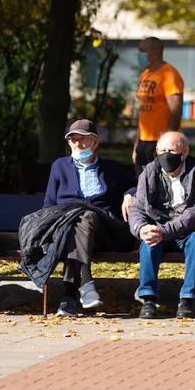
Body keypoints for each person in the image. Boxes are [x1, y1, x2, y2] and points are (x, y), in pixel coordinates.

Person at [43, 119, 135, 317]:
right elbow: (49, 204)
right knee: (77, 223)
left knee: (87, 216)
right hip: (67, 231)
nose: (77, 144)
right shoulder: (60, 166)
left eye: (83, 140)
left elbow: (135, 185)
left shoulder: (113, 169)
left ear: (95, 142)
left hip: (105, 232)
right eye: (73, 140)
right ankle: (74, 295)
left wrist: (130, 194)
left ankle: (72, 293)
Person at [128, 130, 195, 319]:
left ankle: (187, 300)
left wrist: (165, 231)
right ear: (156, 151)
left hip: (186, 232)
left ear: (185, 152)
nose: (166, 155)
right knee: (149, 241)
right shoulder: (148, 173)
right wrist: (141, 229)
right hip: (158, 229)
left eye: (172, 151)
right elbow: (137, 208)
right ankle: (148, 299)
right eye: (162, 150)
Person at [133, 37, 184, 173]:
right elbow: (142, 113)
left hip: (161, 142)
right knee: (141, 184)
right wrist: (137, 144)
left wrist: (167, 144)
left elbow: (176, 110)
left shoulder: (169, 75)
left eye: (142, 51)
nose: (139, 54)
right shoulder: (145, 75)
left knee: (160, 185)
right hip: (144, 141)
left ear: (154, 53)